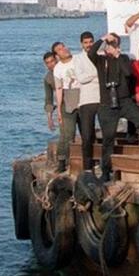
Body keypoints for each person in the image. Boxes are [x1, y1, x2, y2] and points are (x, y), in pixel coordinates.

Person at [88, 33, 139, 181]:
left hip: (124, 101)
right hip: (107, 104)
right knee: (108, 139)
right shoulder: (100, 61)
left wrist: (117, 54)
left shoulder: (123, 59)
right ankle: (106, 171)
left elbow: (128, 73)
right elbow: (91, 52)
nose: (112, 47)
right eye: (110, 45)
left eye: (115, 44)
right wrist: (104, 39)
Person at [69, 30, 100, 173]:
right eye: (86, 42)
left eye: (90, 42)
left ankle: (102, 163)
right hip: (86, 100)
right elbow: (81, 78)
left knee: (106, 133)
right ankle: (88, 167)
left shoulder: (100, 55)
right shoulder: (77, 58)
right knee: (87, 135)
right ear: (81, 44)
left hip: (101, 98)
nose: (89, 45)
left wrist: (92, 76)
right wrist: (96, 74)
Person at [51, 41, 79, 172]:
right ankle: (62, 161)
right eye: (60, 49)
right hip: (68, 99)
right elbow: (58, 88)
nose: (64, 49)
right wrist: (59, 111)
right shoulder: (58, 68)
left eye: (64, 47)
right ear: (57, 55)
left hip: (83, 96)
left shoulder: (78, 59)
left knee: (87, 131)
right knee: (68, 133)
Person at [42, 50, 58, 133]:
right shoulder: (48, 78)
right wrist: (49, 119)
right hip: (63, 108)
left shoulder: (67, 69)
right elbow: (48, 99)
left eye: (52, 61)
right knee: (67, 134)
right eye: (47, 63)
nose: (51, 64)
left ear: (56, 59)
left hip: (80, 103)